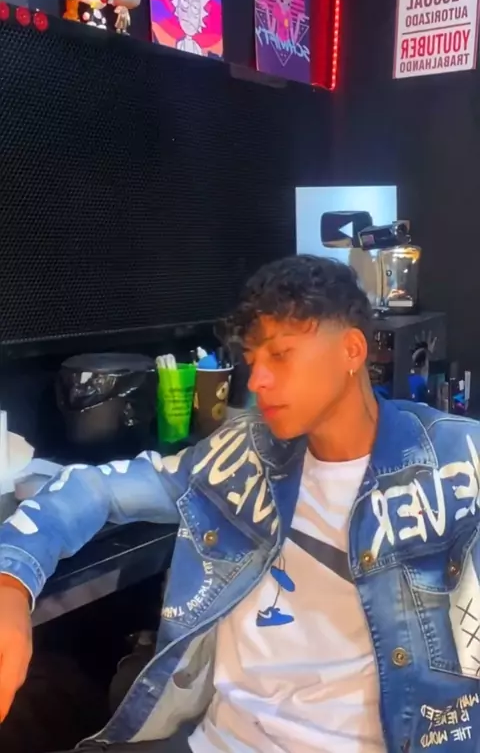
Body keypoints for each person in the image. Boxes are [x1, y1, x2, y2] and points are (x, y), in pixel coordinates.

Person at [0, 255, 479, 753]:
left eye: (281, 355)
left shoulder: (459, 460)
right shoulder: (240, 455)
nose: (256, 381)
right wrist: (10, 585)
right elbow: (91, 489)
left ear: (351, 350)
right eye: (253, 358)